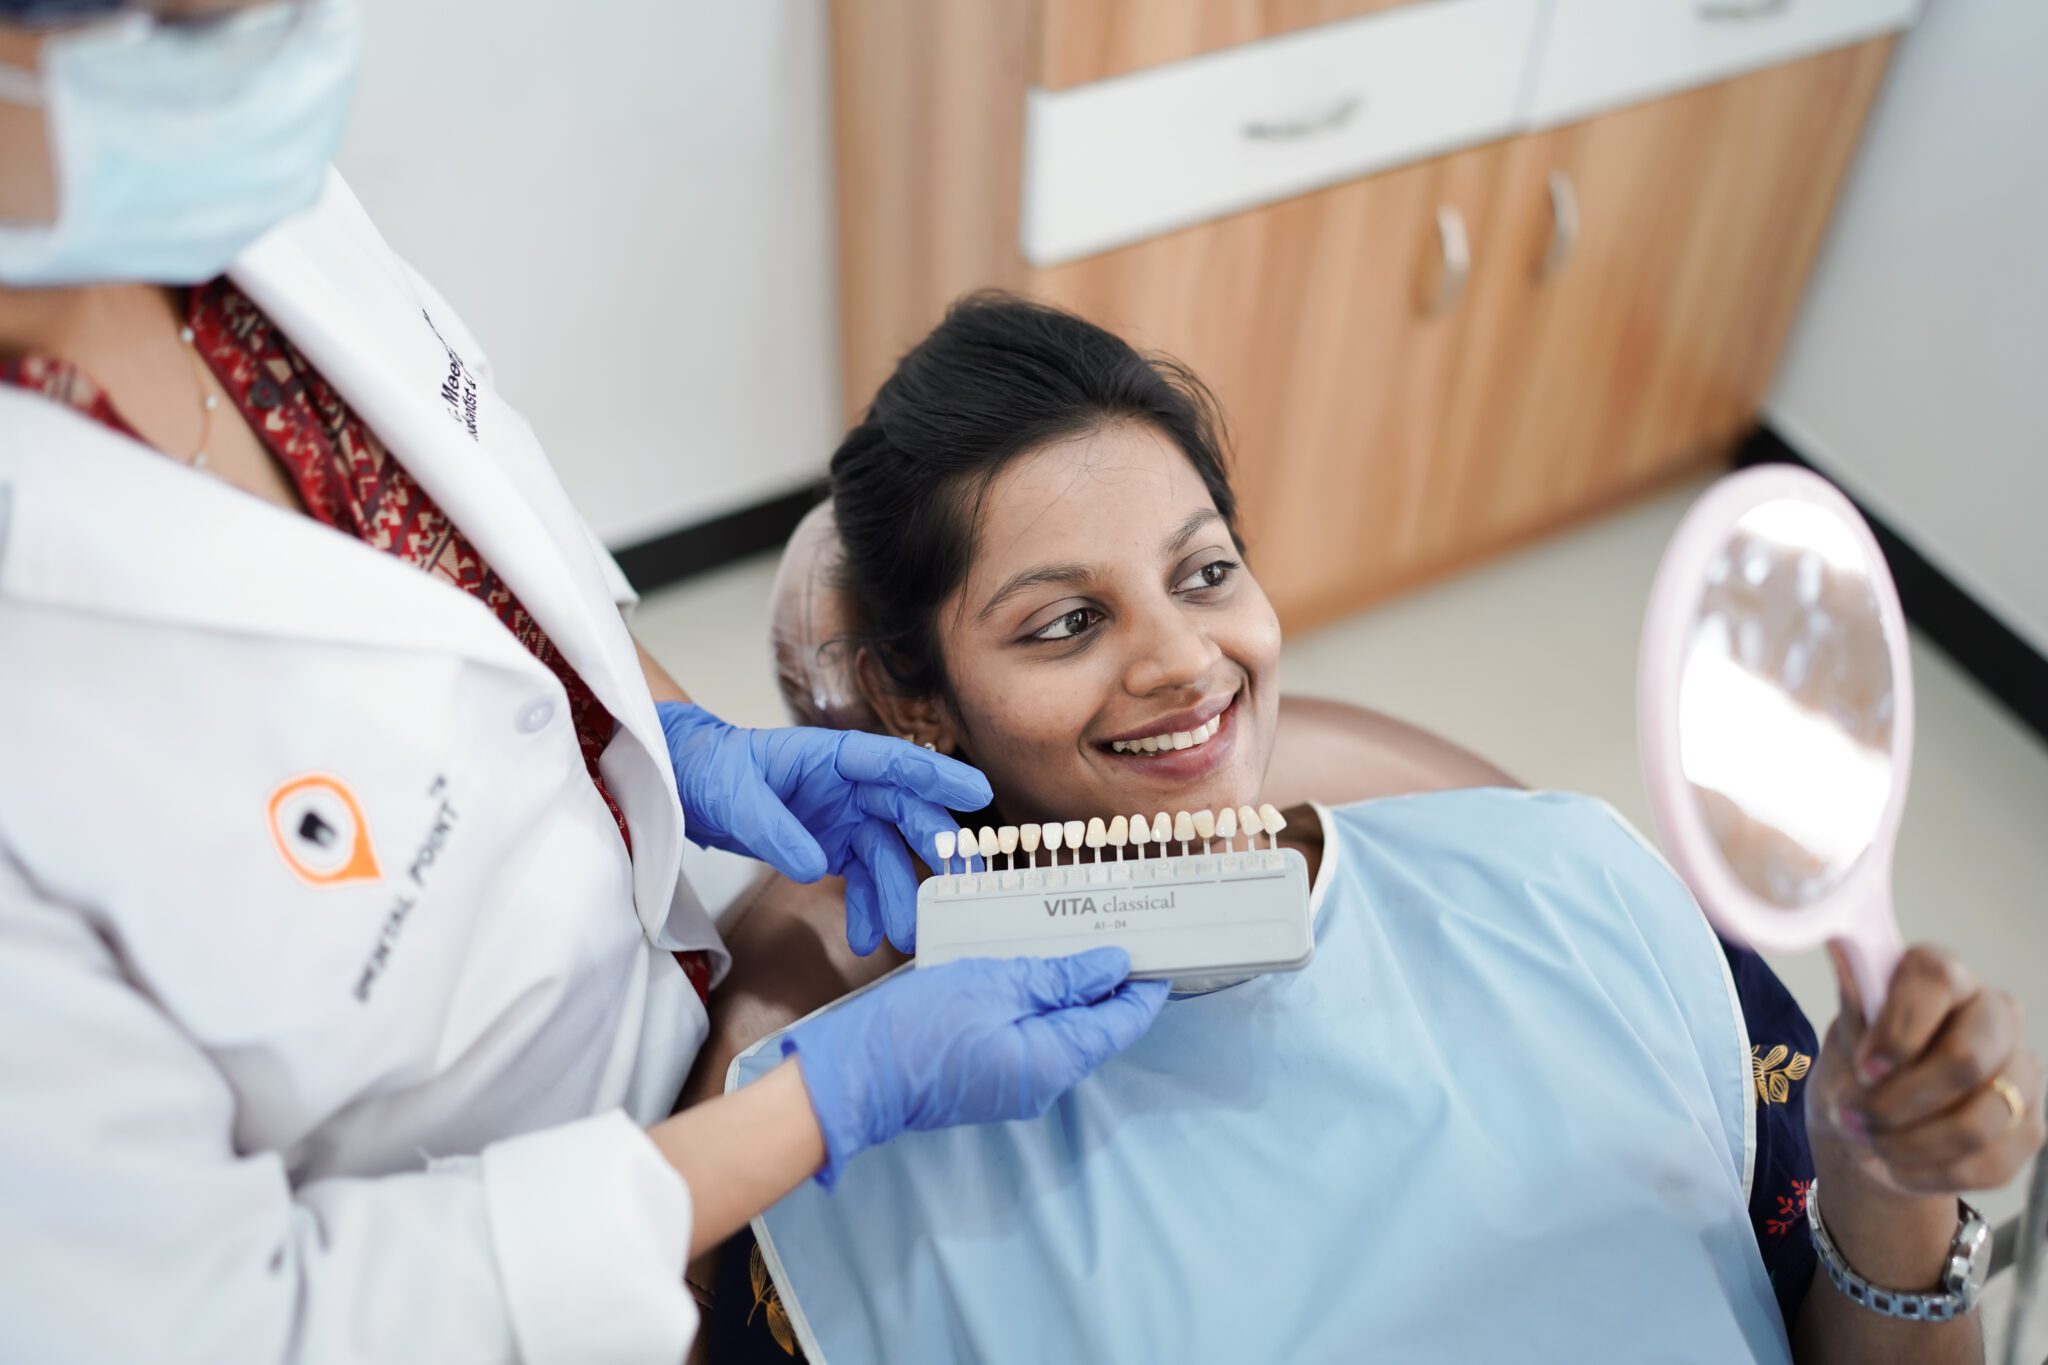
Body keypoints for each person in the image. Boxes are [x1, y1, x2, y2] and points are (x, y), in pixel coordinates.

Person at [0, 7, 1164, 1363]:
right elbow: (242, 1325)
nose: (251, 40)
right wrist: (825, 1101)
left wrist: (670, 733)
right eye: (174, 17)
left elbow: (494, 528)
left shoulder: (230, 202)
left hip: (690, 1017)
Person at [702, 294, 2044, 1363]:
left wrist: (1892, 1190)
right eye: (1065, 621)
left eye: (1206, 571)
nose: (1187, 662)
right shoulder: (851, 1163)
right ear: (918, 702)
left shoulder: (1580, 889)